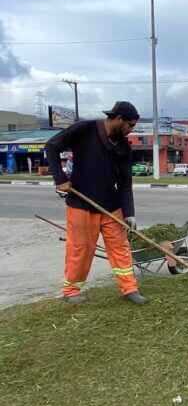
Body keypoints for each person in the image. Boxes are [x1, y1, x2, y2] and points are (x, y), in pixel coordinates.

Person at [45, 101, 148, 304]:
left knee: (121, 248)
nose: (130, 131)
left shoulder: (124, 147)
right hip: (81, 204)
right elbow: (51, 146)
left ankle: (129, 289)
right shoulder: (85, 129)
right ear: (118, 119)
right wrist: (60, 179)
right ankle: (71, 292)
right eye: (130, 126)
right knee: (81, 249)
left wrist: (129, 213)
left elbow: (125, 183)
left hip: (112, 206)